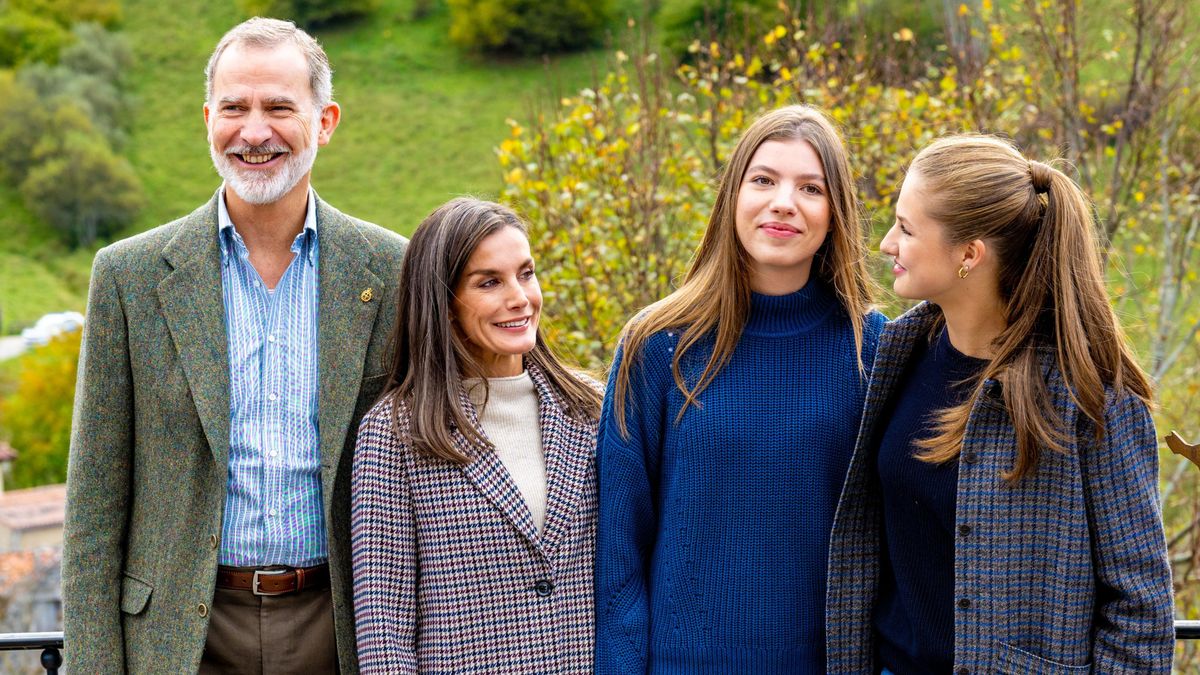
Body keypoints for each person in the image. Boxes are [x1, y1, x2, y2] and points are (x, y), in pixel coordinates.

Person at [62, 17, 407, 673]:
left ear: (326, 120)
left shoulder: (392, 271)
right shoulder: (127, 277)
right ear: (207, 119)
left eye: (280, 107)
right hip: (179, 639)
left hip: (342, 633)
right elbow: (93, 513)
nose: (254, 132)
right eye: (234, 108)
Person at [826, 135, 1175, 673]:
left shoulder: (1089, 395)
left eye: (907, 227)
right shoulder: (895, 354)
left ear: (969, 254)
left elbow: (1141, 610)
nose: (887, 243)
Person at [593, 105, 886, 673]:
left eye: (811, 188)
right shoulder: (657, 344)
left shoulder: (869, 346)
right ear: (733, 196)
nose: (784, 202)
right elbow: (619, 545)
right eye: (764, 180)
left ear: (835, 213)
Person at [351, 197, 603, 673]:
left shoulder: (593, 407)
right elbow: (385, 630)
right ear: (444, 305)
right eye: (490, 282)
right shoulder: (396, 432)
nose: (520, 297)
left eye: (526, 274)